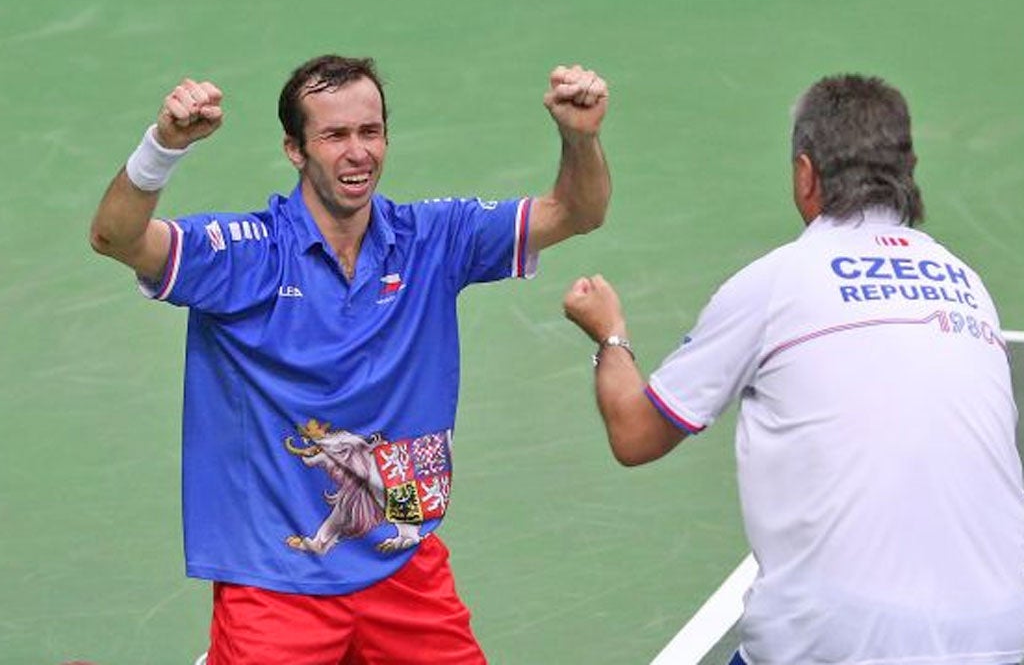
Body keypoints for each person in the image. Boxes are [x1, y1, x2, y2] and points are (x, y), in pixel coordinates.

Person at [89, 55, 610, 665]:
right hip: (276, 581)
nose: (358, 152)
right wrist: (164, 146)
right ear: (295, 149)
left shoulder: (432, 239)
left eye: (370, 132)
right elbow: (116, 237)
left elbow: (577, 212)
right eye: (335, 136)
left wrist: (581, 138)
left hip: (403, 558)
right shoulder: (245, 256)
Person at [562, 74, 1024, 665]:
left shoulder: (775, 283)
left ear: (806, 174)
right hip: (1001, 641)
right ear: (910, 169)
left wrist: (610, 333)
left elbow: (634, 432)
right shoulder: (968, 286)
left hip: (836, 645)